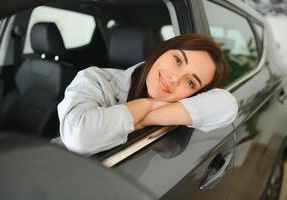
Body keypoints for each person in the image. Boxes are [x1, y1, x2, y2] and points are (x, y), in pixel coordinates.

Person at [56, 33, 238, 155]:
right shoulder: (97, 79)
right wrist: (145, 105)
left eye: (191, 82)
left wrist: (146, 119)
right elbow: (78, 138)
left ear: (195, 95)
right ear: (163, 50)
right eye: (177, 60)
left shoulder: (178, 115)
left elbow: (228, 104)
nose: (175, 79)